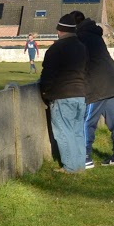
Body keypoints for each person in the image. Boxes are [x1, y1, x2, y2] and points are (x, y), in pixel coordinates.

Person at [38, 12, 88, 173]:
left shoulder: (56, 48)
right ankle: (80, 164)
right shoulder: (82, 47)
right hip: (80, 94)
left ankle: (70, 167)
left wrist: (45, 93)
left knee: (63, 132)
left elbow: (47, 75)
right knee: (77, 131)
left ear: (60, 31)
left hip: (62, 95)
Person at [77, 18, 114, 166]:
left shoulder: (81, 38)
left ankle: (85, 156)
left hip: (96, 85)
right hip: (111, 82)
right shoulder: (95, 36)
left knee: (87, 121)